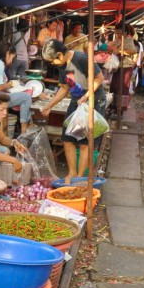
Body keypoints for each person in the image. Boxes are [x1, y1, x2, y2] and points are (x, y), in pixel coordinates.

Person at [40, 39, 107, 184]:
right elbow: (64, 89)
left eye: (52, 60)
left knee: (84, 142)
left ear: (59, 54)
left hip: (92, 101)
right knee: (67, 139)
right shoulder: (62, 66)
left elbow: (100, 77)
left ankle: (79, 176)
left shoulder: (81, 59)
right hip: (76, 101)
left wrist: (86, 96)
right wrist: (50, 105)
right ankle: (72, 172)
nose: (52, 63)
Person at [0, 46, 33, 133]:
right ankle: (24, 131)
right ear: (7, 54)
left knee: (22, 89)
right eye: (12, 57)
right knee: (26, 98)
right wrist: (11, 84)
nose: (12, 61)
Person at [106, 23, 137, 113]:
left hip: (125, 66)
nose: (118, 35)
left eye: (120, 33)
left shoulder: (128, 40)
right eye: (117, 33)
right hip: (116, 66)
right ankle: (113, 105)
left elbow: (133, 51)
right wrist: (110, 48)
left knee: (122, 87)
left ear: (125, 32)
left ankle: (120, 108)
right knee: (114, 86)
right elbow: (110, 47)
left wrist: (120, 51)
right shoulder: (117, 39)